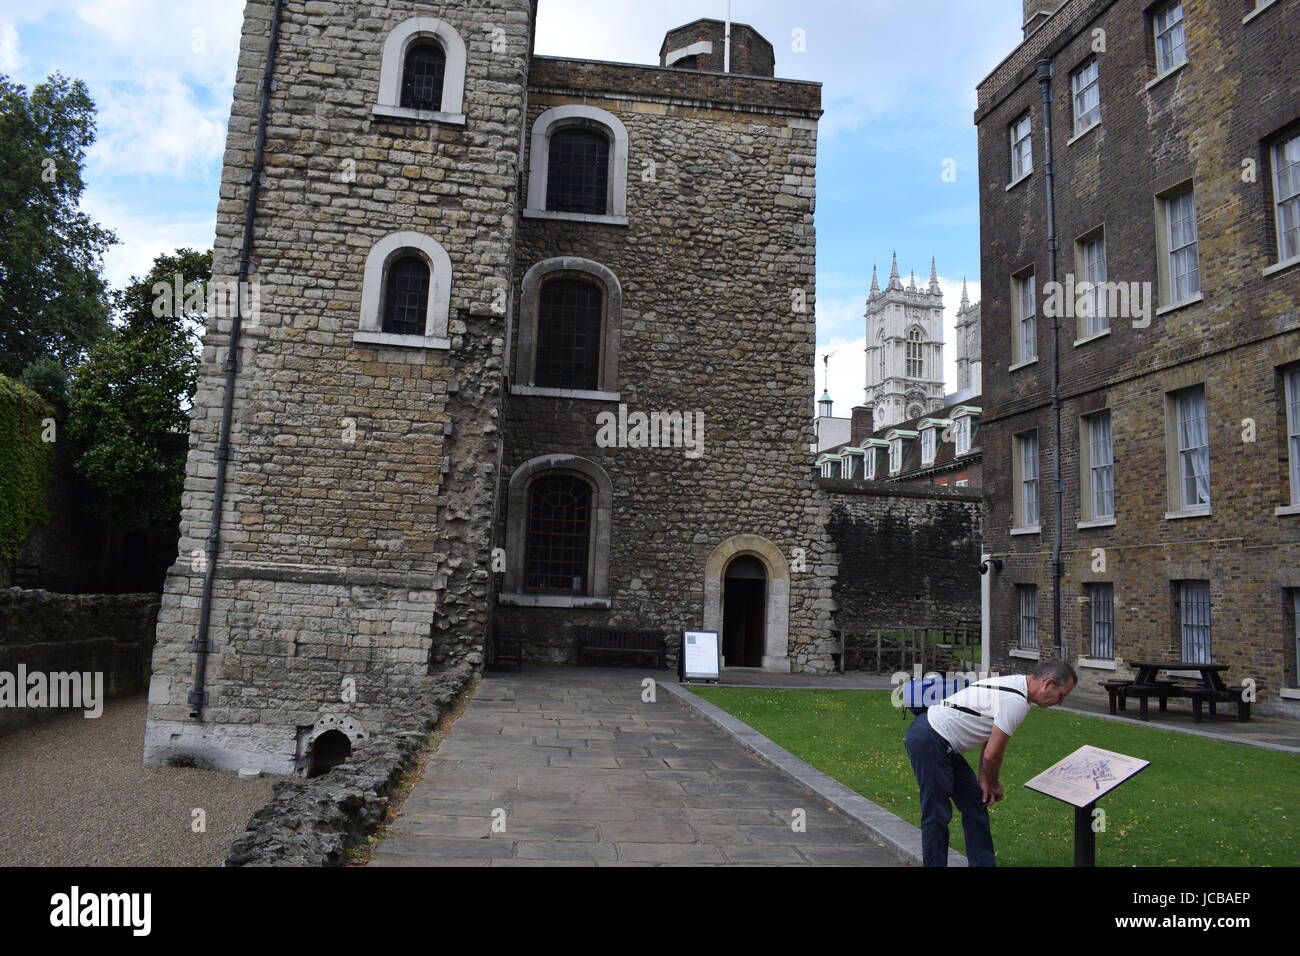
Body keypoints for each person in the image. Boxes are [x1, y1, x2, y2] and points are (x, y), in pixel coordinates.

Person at [903, 658, 1077, 867]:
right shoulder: (1016, 701)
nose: (1059, 702)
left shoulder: (1015, 685)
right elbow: (992, 756)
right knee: (937, 812)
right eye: (1061, 696)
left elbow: (989, 735)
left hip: (940, 740)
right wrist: (994, 784)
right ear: (1048, 683)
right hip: (930, 739)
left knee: (975, 804)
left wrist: (984, 780)